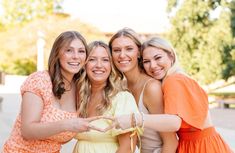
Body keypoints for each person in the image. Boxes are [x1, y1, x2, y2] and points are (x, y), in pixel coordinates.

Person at [106, 36, 233, 153]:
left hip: (201, 147)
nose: (153, 65)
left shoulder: (174, 80)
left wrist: (134, 119)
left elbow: (175, 122)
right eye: (146, 61)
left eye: (158, 58)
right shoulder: (174, 79)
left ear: (171, 56)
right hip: (198, 144)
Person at [2, 31, 102, 153]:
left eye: (81, 51)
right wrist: (66, 125)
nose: (76, 56)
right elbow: (27, 131)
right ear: (57, 54)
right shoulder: (40, 81)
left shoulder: (81, 89)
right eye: (69, 50)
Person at [109, 28, 178, 153]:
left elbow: (171, 141)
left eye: (129, 49)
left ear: (139, 53)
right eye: (116, 50)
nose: (122, 55)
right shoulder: (121, 87)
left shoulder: (151, 87)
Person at [73, 41, 140, 153]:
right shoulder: (80, 97)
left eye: (105, 60)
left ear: (111, 65)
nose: (99, 65)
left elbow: (127, 148)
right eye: (92, 59)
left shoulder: (122, 98)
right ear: (84, 64)